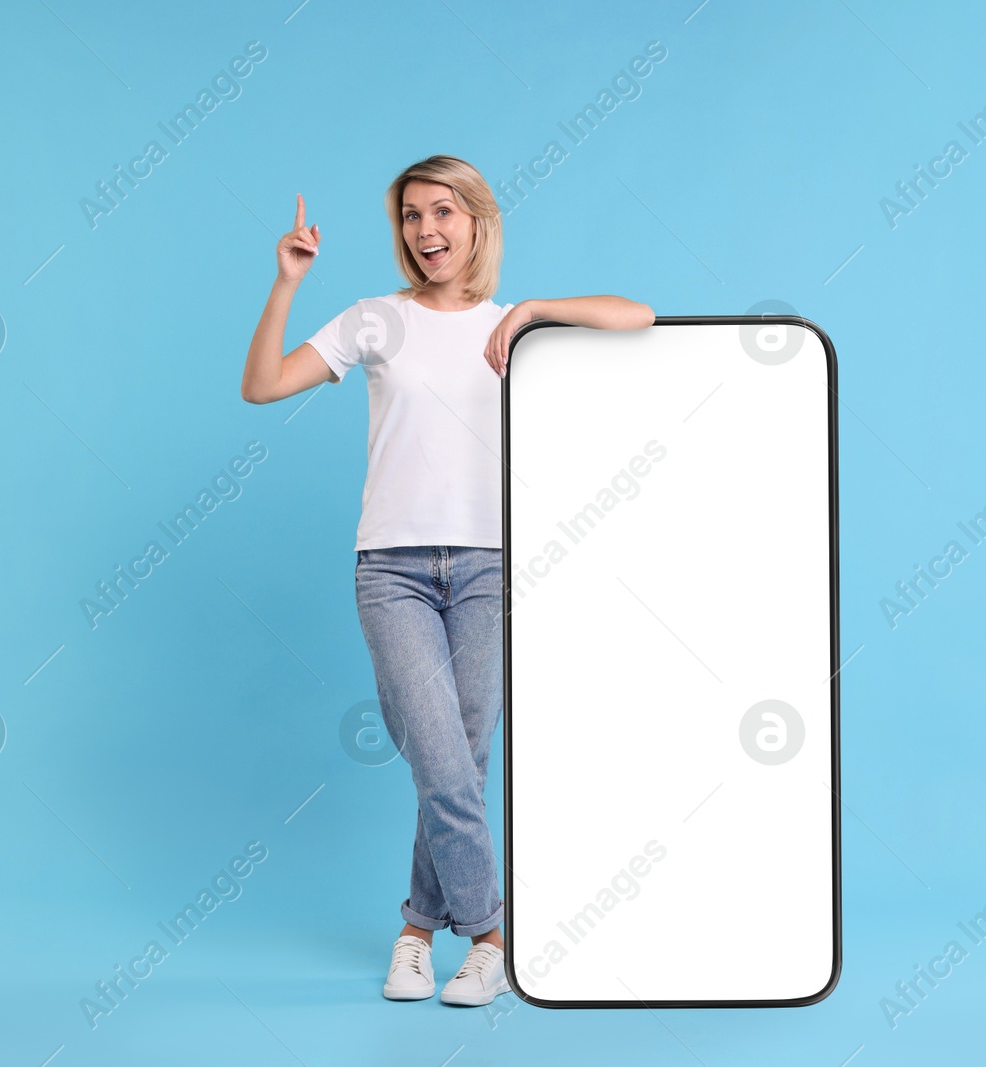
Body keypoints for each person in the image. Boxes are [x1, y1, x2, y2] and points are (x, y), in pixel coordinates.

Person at [240, 154, 653, 1006]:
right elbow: (262, 385)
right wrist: (285, 283)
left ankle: (416, 932)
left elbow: (635, 315)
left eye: (442, 212)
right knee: (446, 758)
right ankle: (494, 937)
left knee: (457, 758)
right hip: (391, 569)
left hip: (490, 568)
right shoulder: (374, 319)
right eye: (410, 217)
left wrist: (536, 310)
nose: (426, 231)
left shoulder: (515, 324)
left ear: (476, 221)